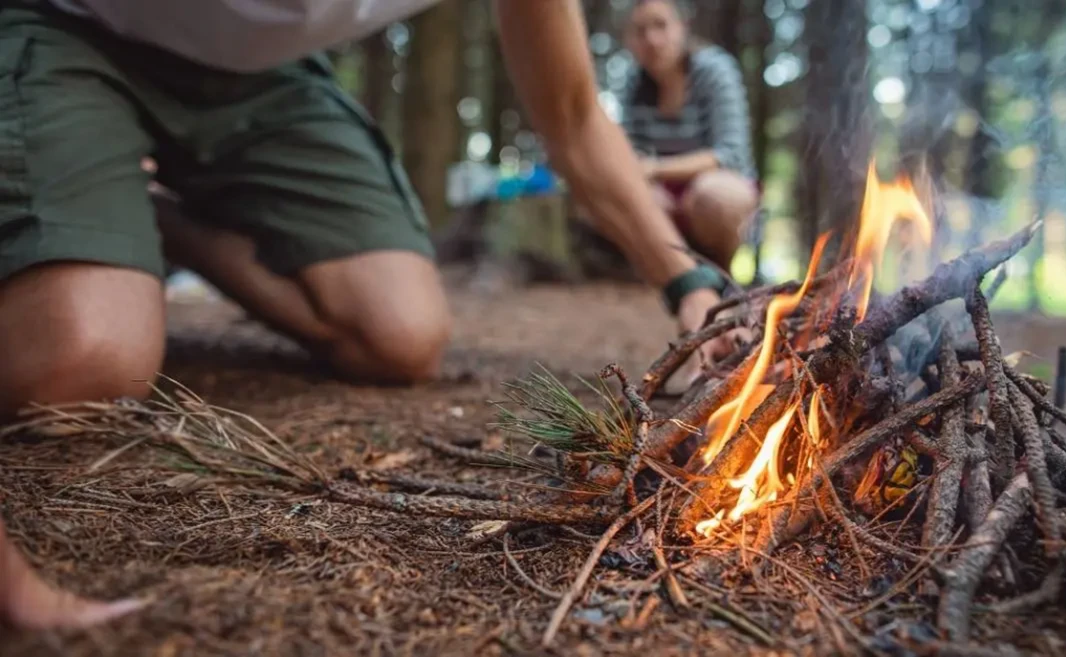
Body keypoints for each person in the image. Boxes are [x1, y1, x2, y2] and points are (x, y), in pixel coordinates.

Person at [0, 0, 739, 631]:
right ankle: (90, 217)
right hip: (68, 24)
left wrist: (686, 281)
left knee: (399, 335)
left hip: (266, 77)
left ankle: (146, 210)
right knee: (81, 362)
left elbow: (574, 115)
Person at [620, 0, 760, 273]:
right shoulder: (633, 83)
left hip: (715, 191)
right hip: (662, 196)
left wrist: (657, 170)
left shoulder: (714, 70)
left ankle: (721, 277)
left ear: (682, 27)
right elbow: (632, 152)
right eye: (640, 30)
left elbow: (730, 155)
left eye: (661, 25)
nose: (652, 39)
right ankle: (667, 276)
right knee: (626, 196)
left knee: (716, 197)